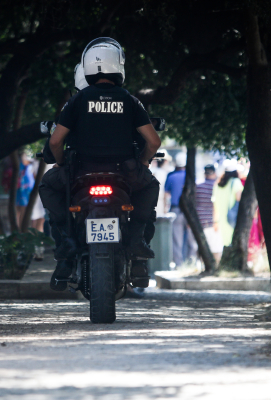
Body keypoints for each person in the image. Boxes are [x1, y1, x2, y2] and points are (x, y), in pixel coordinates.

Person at [39, 38, 161, 290]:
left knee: (48, 186)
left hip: (79, 174)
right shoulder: (130, 100)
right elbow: (153, 140)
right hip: (124, 174)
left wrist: (61, 164)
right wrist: (143, 162)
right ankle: (137, 241)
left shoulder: (77, 101)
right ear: (119, 65)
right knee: (150, 187)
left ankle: (66, 242)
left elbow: (54, 143)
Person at [165, 152, 197, 266]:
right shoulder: (192, 177)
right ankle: (191, 263)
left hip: (175, 211)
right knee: (191, 240)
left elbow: (166, 194)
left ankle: (179, 265)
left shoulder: (171, 176)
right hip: (190, 211)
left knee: (176, 241)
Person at [211, 160, 243, 247]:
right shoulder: (236, 182)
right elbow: (239, 199)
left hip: (221, 221)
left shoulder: (217, 185)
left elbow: (215, 206)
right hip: (232, 220)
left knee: (225, 245)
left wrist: (215, 222)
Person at [195, 164, 223, 263]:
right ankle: (216, 266)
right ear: (214, 173)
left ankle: (204, 265)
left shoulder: (198, 186)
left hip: (200, 221)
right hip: (214, 221)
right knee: (216, 248)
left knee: (203, 246)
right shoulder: (217, 186)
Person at [16, 152, 35, 229]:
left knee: (21, 210)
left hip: (25, 188)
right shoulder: (21, 164)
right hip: (22, 188)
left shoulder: (27, 165)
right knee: (21, 209)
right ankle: (21, 229)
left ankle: (21, 228)